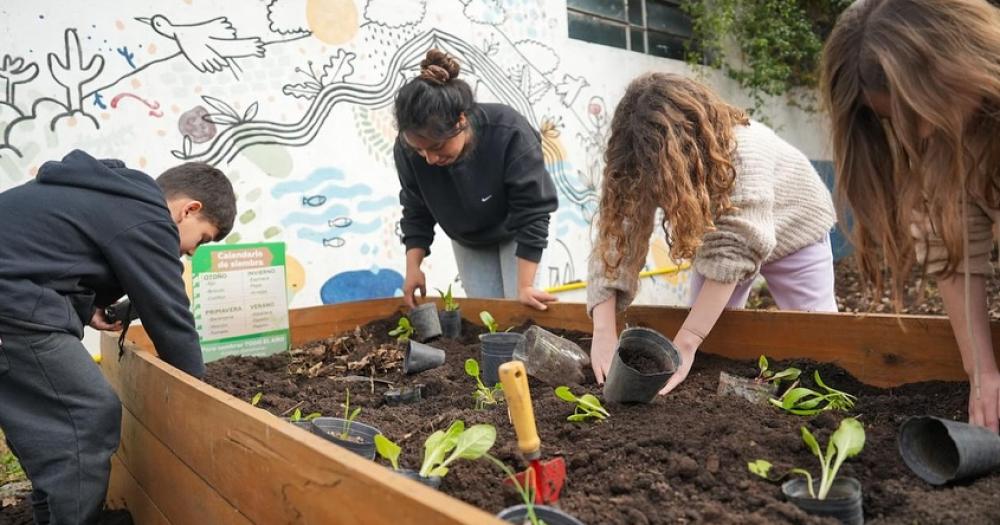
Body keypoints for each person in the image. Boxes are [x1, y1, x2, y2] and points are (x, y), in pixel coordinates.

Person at [0, 150, 236, 524]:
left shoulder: (113, 197)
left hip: (14, 298)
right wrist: (198, 392)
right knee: (88, 415)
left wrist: (88, 307)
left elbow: (49, 257)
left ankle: (57, 515)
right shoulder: (147, 216)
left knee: (47, 425)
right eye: (202, 239)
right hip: (13, 307)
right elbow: (169, 312)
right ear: (189, 209)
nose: (191, 252)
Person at [588, 73, 837, 394]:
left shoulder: (746, 150)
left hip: (796, 227)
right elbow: (617, 230)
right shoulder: (646, 157)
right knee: (711, 339)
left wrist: (687, 342)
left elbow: (737, 248)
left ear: (687, 147)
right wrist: (604, 330)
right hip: (722, 236)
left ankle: (829, 401)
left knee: (821, 342)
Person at [821, 0, 1000, 432]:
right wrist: (981, 374)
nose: (918, 132)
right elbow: (951, 245)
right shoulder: (950, 135)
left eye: (918, 108)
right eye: (893, 117)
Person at [394, 49, 559, 310]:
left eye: (437, 147)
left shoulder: (508, 132)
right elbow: (416, 208)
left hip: (517, 229)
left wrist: (525, 286)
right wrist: (413, 267)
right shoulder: (408, 148)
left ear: (461, 120)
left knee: (519, 310)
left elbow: (533, 211)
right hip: (468, 238)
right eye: (419, 150)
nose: (429, 159)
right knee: (487, 314)